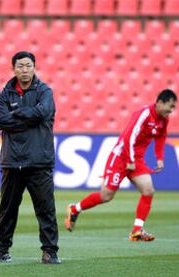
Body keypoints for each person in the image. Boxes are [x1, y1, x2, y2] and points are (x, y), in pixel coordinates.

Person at [0, 51, 60, 264]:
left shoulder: (45, 91)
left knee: (45, 209)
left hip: (38, 160)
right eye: (20, 66)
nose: (24, 70)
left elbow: (44, 113)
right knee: (7, 210)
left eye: (28, 65)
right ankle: (1, 250)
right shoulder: (5, 93)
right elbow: (2, 121)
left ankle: (50, 252)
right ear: (13, 68)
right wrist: (29, 116)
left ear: (34, 67)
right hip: (12, 161)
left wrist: (17, 113)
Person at [65, 89, 177, 241]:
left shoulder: (164, 119)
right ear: (160, 102)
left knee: (148, 190)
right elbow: (129, 137)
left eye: (173, 108)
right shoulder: (144, 113)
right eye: (170, 106)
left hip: (136, 159)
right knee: (106, 196)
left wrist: (159, 157)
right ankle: (74, 209)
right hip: (121, 157)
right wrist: (130, 159)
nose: (171, 110)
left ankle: (137, 230)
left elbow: (161, 137)